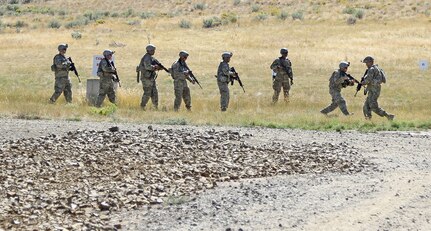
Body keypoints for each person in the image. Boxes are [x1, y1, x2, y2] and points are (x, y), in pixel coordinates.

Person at [360, 56, 395, 120]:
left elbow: (368, 80)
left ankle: (388, 116)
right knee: (366, 106)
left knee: (373, 106)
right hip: (373, 89)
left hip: (374, 90)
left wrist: (362, 83)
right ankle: (368, 121)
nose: (366, 64)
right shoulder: (376, 68)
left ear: (370, 62)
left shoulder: (371, 69)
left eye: (367, 63)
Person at [138, 44, 162, 110]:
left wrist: (159, 67)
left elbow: (156, 64)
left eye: (154, 50)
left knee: (154, 93)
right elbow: (148, 67)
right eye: (153, 50)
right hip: (146, 79)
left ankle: (155, 107)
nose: (154, 51)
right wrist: (155, 67)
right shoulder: (146, 58)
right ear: (149, 50)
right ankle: (142, 106)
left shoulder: (151, 57)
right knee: (147, 93)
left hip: (151, 78)